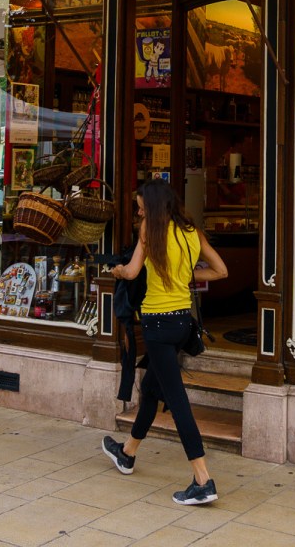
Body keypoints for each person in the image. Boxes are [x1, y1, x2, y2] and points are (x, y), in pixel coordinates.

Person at [102, 178, 228, 505]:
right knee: (151, 389)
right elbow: (220, 271)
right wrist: (186, 274)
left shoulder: (149, 231)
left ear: (153, 206)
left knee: (177, 400)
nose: (139, 211)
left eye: (141, 206)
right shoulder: (191, 232)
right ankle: (127, 453)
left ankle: (203, 479)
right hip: (182, 324)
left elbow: (131, 273)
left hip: (157, 324)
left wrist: (116, 271)